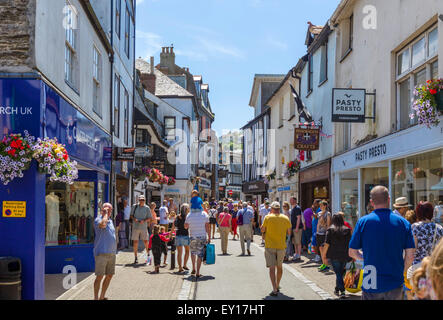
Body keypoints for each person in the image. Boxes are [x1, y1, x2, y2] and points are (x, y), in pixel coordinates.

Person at [349, 185, 415, 300]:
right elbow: (410, 256)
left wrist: (366, 257)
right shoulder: (403, 223)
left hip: (371, 279)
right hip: (395, 279)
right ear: (389, 199)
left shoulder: (363, 222)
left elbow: (352, 252)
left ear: (371, 202)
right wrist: (402, 271)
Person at [261, 201, 292, 297]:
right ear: (279, 209)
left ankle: (274, 288)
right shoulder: (285, 218)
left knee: (271, 268)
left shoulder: (267, 217)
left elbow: (262, 229)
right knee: (279, 266)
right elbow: (289, 232)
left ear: (272, 209)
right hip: (281, 246)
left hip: (270, 245)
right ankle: (278, 285)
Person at [409, 202, 443, 278]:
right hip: (433, 268)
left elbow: (412, 250)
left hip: (417, 269)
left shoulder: (414, 228)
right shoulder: (439, 228)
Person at [324, 213, 352, 298]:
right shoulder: (347, 230)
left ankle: (342, 291)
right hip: (345, 254)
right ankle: (337, 288)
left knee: (338, 273)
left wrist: (324, 255)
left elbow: (327, 244)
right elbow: (350, 243)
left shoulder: (330, 230)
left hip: (334, 254)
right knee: (340, 272)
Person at [93, 203, 116, 300]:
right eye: (107, 210)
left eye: (110, 210)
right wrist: (105, 214)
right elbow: (102, 225)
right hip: (101, 253)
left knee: (109, 275)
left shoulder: (110, 221)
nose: (109, 211)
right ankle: (95, 298)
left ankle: (102, 296)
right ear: (102, 210)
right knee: (99, 276)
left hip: (112, 253)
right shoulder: (98, 219)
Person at [185, 197, 211, 278]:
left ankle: (193, 268)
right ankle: (198, 272)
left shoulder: (189, 215)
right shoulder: (204, 214)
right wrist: (209, 236)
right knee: (200, 254)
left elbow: (185, 226)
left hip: (192, 236)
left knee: (193, 253)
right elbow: (207, 227)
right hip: (202, 236)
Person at [130, 195, 153, 264]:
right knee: (135, 242)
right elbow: (131, 215)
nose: (141, 201)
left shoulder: (147, 208)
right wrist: (135, 219)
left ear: (145, 200)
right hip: (135, 227)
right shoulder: (134, 206)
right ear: (138, 200)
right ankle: (136, 258)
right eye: (140, 200)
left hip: (143, 227)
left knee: (146, 241)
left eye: (142, 200)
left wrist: (144, 220)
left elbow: (150, 218)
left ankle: (148, 256)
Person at [174, 203, 190, 273]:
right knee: (187, 251)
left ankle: (180, 267)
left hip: (178, 235)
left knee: (179, 253)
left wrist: (171, 233)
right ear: (186, 210)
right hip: (185, 235)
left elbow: (173, 226)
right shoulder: (188, 217)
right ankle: (185, 265)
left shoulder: (177, 216)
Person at [317, 200, 331, 271]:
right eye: (320, 205)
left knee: (324, 250)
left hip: (324, 233)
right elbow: (318, 223)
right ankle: (323, 263)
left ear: (325, 206)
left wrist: (327, 233)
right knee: (320, 249)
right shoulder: (319, 213)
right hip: (319, 233)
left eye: (322, 205)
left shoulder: (327, 213)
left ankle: (326, 264)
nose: (320, 207)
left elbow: (328, 225)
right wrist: (316, 231)